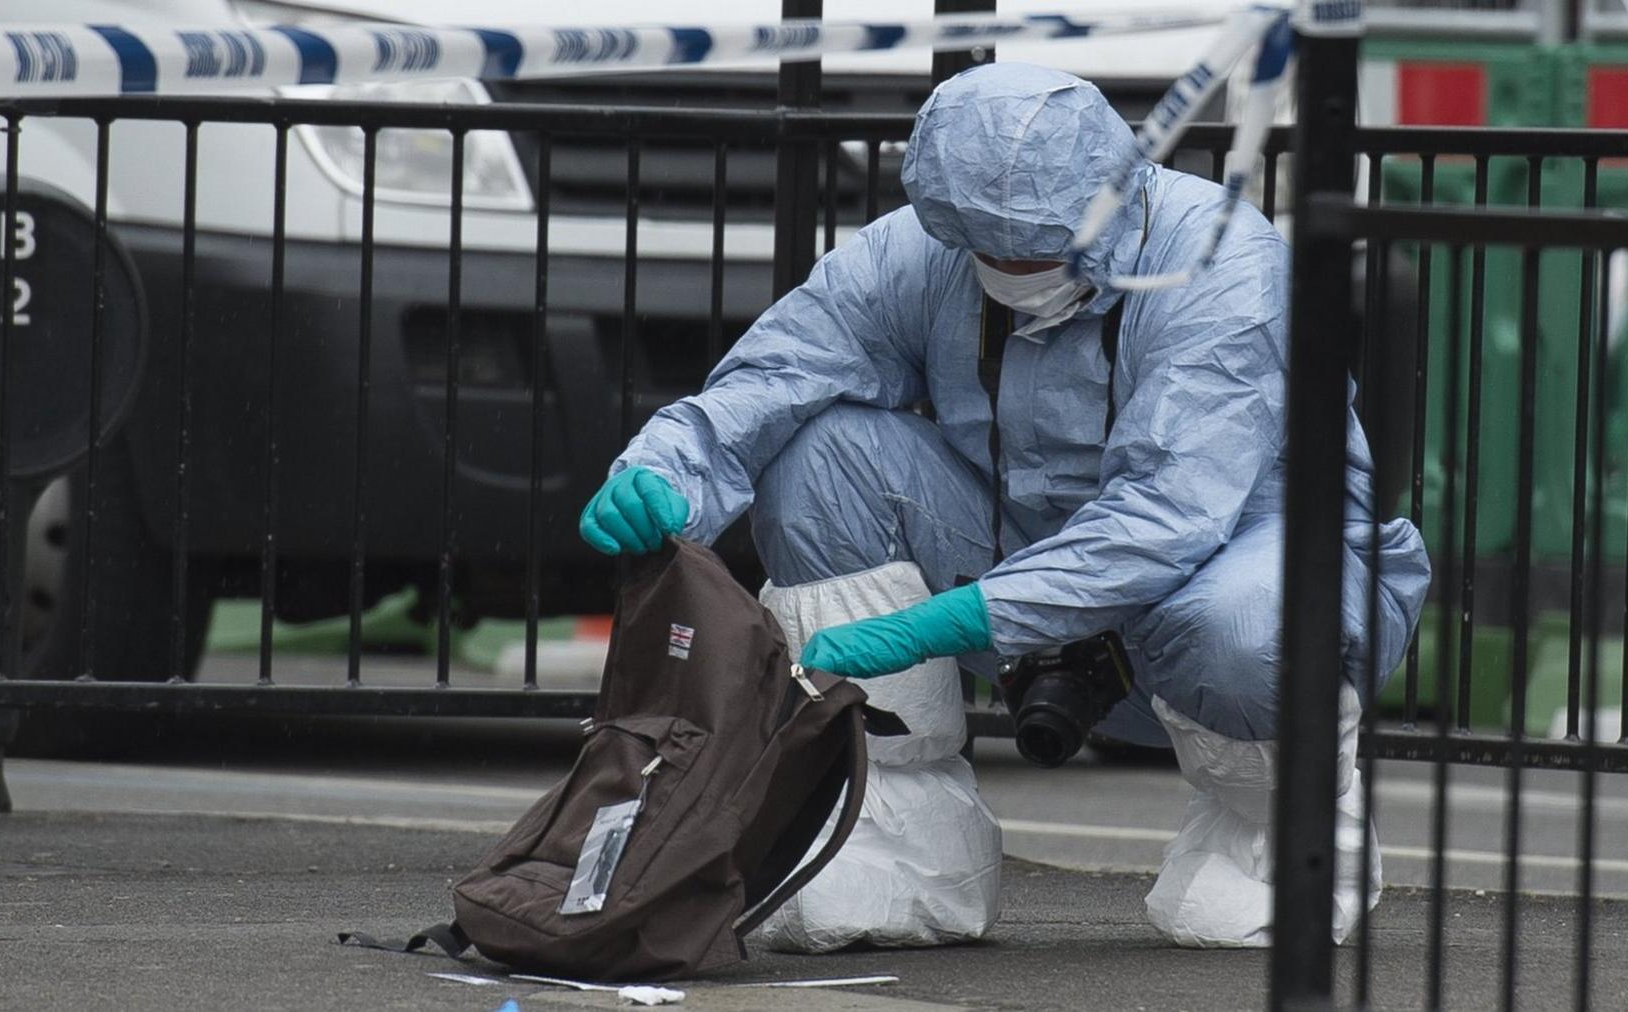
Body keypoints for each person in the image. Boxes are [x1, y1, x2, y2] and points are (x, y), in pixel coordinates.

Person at [577, 63, 1431, 948]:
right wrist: (668, 471)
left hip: (1232, 562)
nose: (1019, 268)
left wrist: (948, 618)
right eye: (996, 250)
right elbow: (782, 371)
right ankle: (897, 838)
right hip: (1024, 557)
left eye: (1044, 248)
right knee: (820, 457)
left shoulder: (1224, 265)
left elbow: (1164, 517)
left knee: (1249, 621)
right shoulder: (926, 250)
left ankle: (1277, 842)